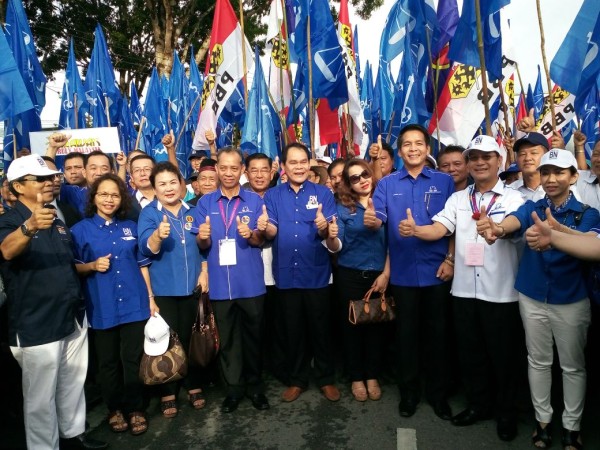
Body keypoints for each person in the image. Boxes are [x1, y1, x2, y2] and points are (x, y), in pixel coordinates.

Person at [398, 135, 525, 442]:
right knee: (471, 353)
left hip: (500, 292)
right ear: (469, 164)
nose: (480, 162)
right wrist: (417, 230)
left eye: (487, 157)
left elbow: (514, 226)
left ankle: (507, 412)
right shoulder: (457, 199)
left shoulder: (513, 199)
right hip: (465, 290)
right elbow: (440, 228)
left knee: (504, 356)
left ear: (499, 161)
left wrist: (497, 229)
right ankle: (479, 405)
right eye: (475, 157)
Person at [477, 149, 597, 450]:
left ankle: (572, 426)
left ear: (573, 176)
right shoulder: (531, 205)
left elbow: (590, 245)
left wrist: (555, 235)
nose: (551, 179)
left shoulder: (588, 213)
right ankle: (542, 422)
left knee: (572, 366)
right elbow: (513, 221)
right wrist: (498, 228)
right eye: (546, 172)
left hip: (571, 299)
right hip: (531, 296)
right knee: (539, 361)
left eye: (559, 172)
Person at [0, 155, 107, 449]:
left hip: (71, 314)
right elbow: (6, 251)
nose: (50, 183)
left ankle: (73, 435)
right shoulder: (9, 220)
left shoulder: (57, 219)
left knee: (72, 382)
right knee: (40, 397)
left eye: (51, 178)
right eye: (41, 179)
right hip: (37, 322)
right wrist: (29, 227)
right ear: (18, 186)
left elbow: (69, 263)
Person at [365, 124, 455, 420]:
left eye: (419, 143)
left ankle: (438, 394)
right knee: (406, 337)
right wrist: (371, 219)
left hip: (437, 272)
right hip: (403, 274)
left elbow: (455, 225)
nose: (413, 148)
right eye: (407, 144)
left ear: (428, 148)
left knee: (438, 337)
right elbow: (377, 218)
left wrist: (451, 259)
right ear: (401, 150)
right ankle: (409, 393)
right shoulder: (388, 184)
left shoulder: (444, 182)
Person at [71, 174, 155, 436]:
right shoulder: (80, 230)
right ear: (94, 198)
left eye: (115, 195)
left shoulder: (130, 226)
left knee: (133, 359)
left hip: (134, 304)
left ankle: (136, 408)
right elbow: (72, 268)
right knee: (107, 362)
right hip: (102, 306)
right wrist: (93, 266)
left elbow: (143, 265)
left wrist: (151, 298)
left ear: (122, 200)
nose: (109, 199)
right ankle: (114, 409)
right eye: (104, 194)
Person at [263, 142, 341, 403]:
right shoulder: (273, 195)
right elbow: (272, 230)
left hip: (316, 273)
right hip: (286, 273)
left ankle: (326, 378)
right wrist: (265, 227)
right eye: (292, 162)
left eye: (302, 162)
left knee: (321, 328)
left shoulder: (323, 194)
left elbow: (327, 231)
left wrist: (322, 227)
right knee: (292, 330)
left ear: (309, 164)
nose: (298, 166)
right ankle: (297, 379)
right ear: (283, 167)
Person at [194, 147, 269, 413]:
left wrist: (251, 234)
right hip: (220, 286)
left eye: (233, 168)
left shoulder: (255, 201)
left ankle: (256, 388)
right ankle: (234, 390)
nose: (227, 173)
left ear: (242, 171)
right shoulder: (205, 202)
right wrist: (202, 235)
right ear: (217, 169)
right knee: (227, 340)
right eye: (223, 168)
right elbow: (201, 244)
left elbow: (261, 240)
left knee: (254, 338)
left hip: (249, 283)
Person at [138, 162, 207, 418]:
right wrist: (157, 235)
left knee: (191, 340)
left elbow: (204, 246)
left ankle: (194, 384)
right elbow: (145, 250)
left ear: (182, 184)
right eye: (162, 184)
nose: (168, 188)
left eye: (172, 182)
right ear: (154, 189)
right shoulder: (149, 214)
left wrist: (205, 270)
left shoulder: (193, 210)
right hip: (164, 291)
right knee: (166, 342)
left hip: (192, 288)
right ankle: (168, 391)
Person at [335, 159, 390, 401]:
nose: (362, 180)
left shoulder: (385, 201)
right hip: (350, 276)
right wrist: (328, 235)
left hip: (380, 276)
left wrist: (386, 274)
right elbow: (337, 246)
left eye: (364, 174)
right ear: (349, 184)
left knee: (377, 328)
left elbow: (393, 244)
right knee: (352, 330)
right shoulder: (343, 208)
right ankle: (356, 377)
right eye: (354, 178)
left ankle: (373, 376)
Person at [509, 132, 549, 201]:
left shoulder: (559, 187)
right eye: (522, 154)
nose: (527, 158)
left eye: (534, 153)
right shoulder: (508, 191)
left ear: (546, 155)